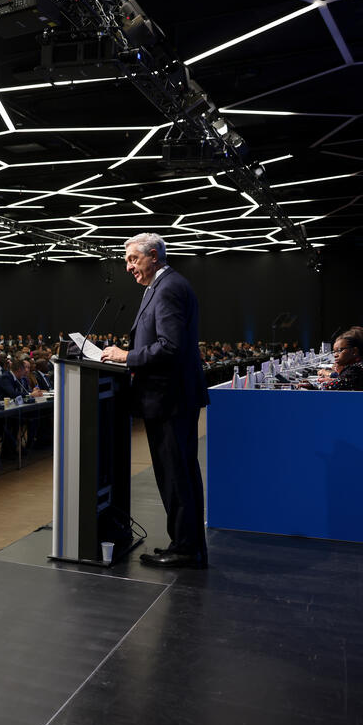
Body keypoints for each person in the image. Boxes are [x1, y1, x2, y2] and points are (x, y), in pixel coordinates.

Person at [101, 232, 208, 569]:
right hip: (171, 398)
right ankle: (185, 542)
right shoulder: (162, 287)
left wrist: (125, 355)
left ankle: (186, 549)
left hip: (168, 399)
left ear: (153, 255)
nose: (129, 267)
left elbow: (170, 346)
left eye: (133, 259)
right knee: (180, 474)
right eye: (127, 262)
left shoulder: (168, 288)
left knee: (176, 475)